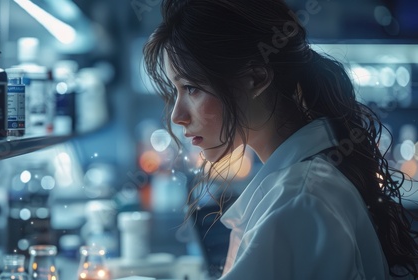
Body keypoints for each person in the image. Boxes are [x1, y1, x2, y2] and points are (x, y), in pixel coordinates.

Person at [143, 0, 418, 279]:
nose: (177, 116)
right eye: (175, 90)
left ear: (256, 78)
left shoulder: (299, 199)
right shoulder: (302, 183)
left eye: (191, 88)